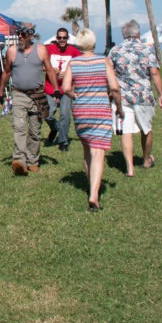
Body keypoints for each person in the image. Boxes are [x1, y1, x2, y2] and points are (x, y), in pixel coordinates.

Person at [62, 28, 123, 212]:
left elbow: (65, 88)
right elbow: (115, 87)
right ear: (94, 43)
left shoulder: (74, 62)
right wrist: (119, 107)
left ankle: (91, 187)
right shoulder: (102, 60)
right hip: (100, 111)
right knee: (98, 152)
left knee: (88, 150)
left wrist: (77, 96)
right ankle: (94, 195)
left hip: (81, 111)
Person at [108, 20, 162, 176]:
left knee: (126, 132)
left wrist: (109, 94)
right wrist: (161, 94)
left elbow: (109, 75)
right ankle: (146, 159)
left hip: (122, 97)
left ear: (123, 34)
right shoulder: (147, 50)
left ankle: (129, 168)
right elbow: (154, 72)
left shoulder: (115, 51)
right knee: (146, 129)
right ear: (138, 33)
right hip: (143, 96)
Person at [0, 24, 58, 175]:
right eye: (18, 34)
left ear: (31, 36)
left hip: (38, 95)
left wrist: (56, 89)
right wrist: (0, 93)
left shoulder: (41, 50)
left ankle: (33, 160)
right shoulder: (12, 50)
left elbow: (50, 70)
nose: (20, 36)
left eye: (23, 34)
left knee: (35, 130)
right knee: (18, 127)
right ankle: (19, 160)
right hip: (19, 95)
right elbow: (6, 73)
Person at [44, 28, 81, 151]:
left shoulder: (74, 51)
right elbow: (40, 64)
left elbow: (81, 65)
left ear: (67, 39)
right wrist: (49, 69)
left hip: (66, 89)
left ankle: (63, 141)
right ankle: (55, 128)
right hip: (50, 88)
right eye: (59, 38)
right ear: (56, 38)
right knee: (48, 114)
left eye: (64, 38)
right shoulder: (48, 50)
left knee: (65, 114)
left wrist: (69, 72)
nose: (62, 40)